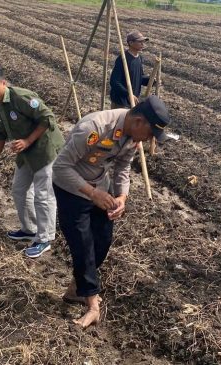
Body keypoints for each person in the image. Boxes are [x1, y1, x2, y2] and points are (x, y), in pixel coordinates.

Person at [52, 95, 172, 328]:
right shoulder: (94, 128)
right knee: (83, 245)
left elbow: (123, 168)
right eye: (149, 134)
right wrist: (92, 193)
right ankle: (92, 305)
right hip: (72, 189)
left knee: (103, 241)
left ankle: (77, 288)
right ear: (138, 121)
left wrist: (121, 197)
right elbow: (60, 167)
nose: (148, 140)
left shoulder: (132, 137)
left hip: (100, 189)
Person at [0, 67, 64, 258]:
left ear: (3, 83)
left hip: (45, 149)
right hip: (25, 152)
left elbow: (47, 118)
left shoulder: (20, 97)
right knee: (19, 189)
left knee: (43, 195)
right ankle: (29, 229)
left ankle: (45, 238)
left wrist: (27, 141)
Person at [109, 30, 150, 109]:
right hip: (121, 102)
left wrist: (151, 80)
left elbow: (139, 78)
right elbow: (114, 81)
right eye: (140, 42)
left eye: (143, 42)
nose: (142, 44)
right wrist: (128, 94)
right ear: (131, 43)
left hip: (133, 101)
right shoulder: (123, 59)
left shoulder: (139, 58)